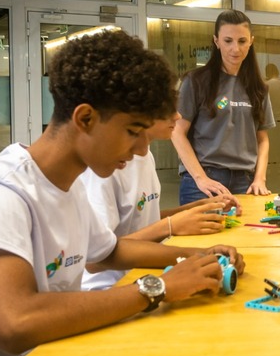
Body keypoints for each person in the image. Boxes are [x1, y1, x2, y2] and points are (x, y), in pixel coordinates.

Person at [0, 30, 245, 356]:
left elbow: (110, 252)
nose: (143, 149)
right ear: (85, 118)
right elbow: (14, 322)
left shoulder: (68, 186)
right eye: (132, 131)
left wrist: (197, 259)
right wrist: (158, 287)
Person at [80, 111, 242, 291]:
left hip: (142, 275)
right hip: (109, 288)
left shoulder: (144, 155)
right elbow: (96, 258)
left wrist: (196, 209)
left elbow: (141, 219)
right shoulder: (102, 169)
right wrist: (171, 226)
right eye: (167, 108)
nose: (178, 115)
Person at [172, 9, 275, 203]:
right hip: (205, 181)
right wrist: (201, 178)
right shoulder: (196, 81)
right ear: (216, 41)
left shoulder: (258, 88)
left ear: (251, 41)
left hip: (246, 181)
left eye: (242, 41)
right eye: (228, 41)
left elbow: (263, 139)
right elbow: (177, 132)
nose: (235, 48)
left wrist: (260, 178)